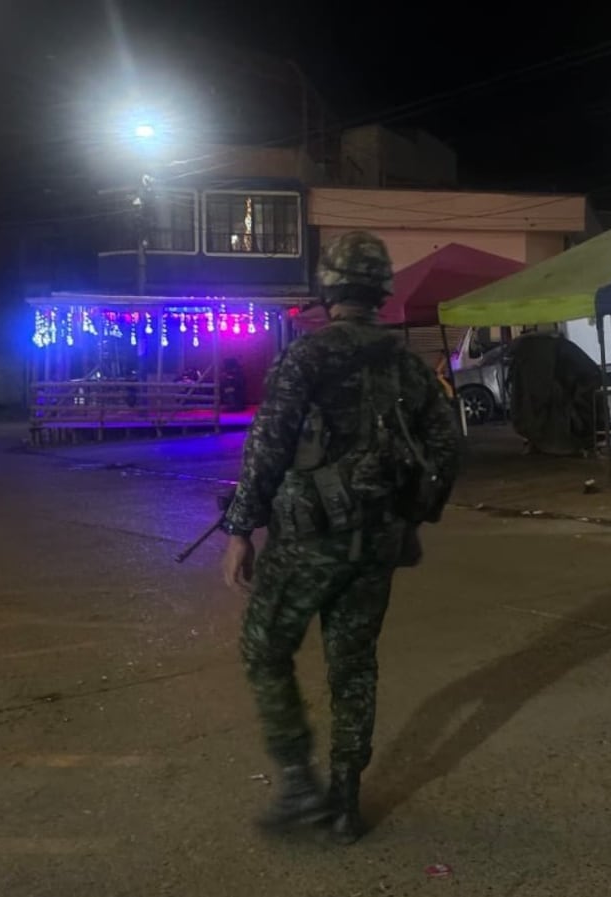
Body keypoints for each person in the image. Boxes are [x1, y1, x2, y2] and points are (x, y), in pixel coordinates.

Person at [221, 231, 461, 844]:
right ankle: (346, 803)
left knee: (264, 649)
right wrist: (412, 510)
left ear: (327, 288)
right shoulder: (406, 364)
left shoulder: (306, 356)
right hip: (377, 544)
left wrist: (241, 529)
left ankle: (303, 785)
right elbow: (445, 447)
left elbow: (267, 445)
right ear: (381, 291)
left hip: (309, 542)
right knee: (353, 668)